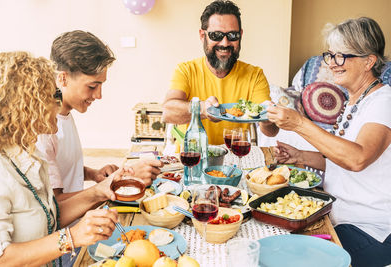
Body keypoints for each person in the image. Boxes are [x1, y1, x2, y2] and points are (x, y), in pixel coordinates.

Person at [267, 17, 391, 267]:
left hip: (370, 229)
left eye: (342, 56)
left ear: (369, 61)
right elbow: (340, 160)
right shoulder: (354, 101)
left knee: (291, 260)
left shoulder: (384, 101)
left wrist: (300, 123)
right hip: (336, 216)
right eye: (331, 55)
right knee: (273, 238)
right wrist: (299, 157)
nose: (333, 64)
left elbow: (357, 158)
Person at [0, 51, 123, 267]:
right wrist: (71, 237)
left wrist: (100, 191)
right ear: (25, 106)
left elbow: (49, 218)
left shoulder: (30, 154)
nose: (58, 102)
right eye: (51, 96)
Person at [36, 30, 163, 203]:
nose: (99, 95)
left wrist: (93, 174)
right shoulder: (44, 129)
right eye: (92, 86)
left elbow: (60, 168)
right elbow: (56, 203)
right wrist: (117, 182)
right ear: (63, 79)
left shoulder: (65, 113)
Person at [162, 0, 278, 145]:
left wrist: (268, 118)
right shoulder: (186, 70)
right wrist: (203, 109)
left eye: (232, 35)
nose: (224, 43)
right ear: (202, 35)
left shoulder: (255, 75)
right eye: (216, 35)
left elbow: (271, 132)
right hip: (194, 158)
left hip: (236, 157)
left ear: (240, 35)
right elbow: (168, 112)